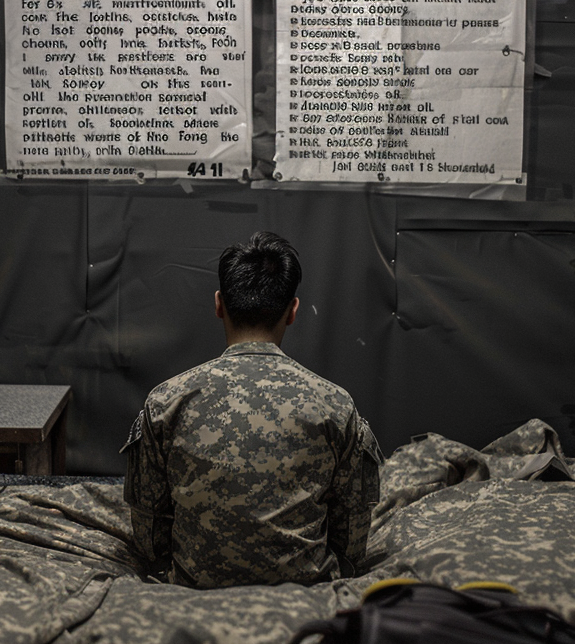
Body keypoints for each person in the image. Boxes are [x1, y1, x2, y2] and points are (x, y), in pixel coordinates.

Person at [122, 231, 382, 588]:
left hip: (192, 590)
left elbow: (149, 531)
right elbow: (351, 537)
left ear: (219, 304)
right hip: (307, 592)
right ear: (293, 311)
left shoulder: (166, 401)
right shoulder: (335, 404)